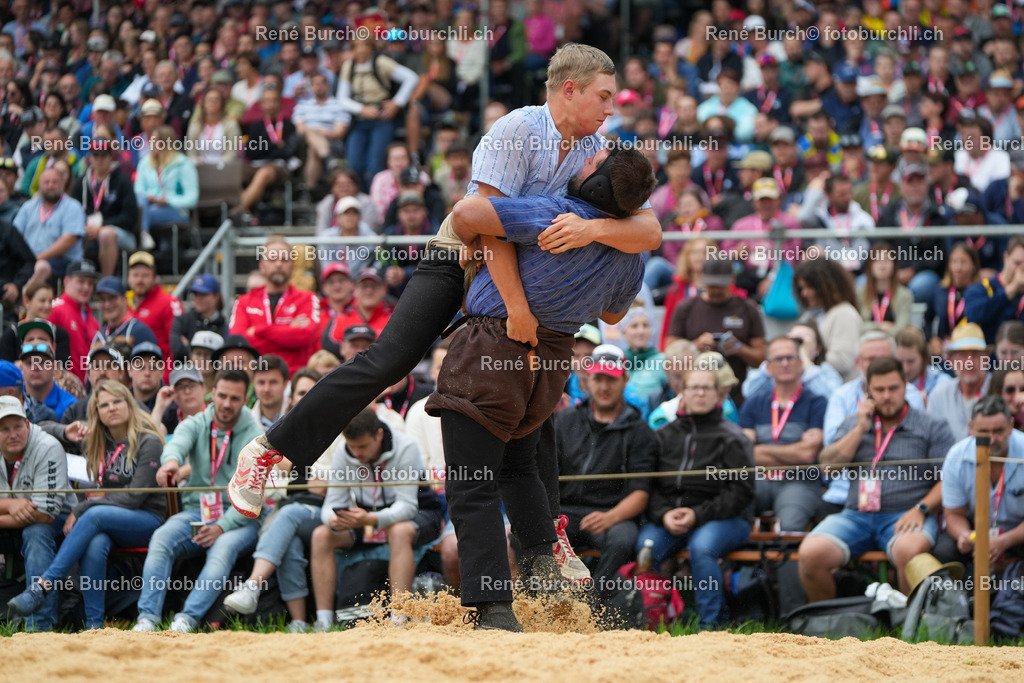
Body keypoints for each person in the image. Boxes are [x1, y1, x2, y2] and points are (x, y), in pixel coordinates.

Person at [227, 44, 661, 584]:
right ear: (567, 89)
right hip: (460, 259)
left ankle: (548, 538)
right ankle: (271, 450)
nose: (610, 108)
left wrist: (593, 228)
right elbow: (479, 224)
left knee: (535, 405)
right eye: (603, 96)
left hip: (511, 284)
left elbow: (651, 230)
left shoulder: (596, 146)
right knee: (391, 359)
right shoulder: (518, 130)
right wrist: (519, 310)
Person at [423, 146, 655, 630]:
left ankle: (495, 611)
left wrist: (486, 238)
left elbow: (467, 212)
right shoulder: (630, 251)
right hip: (550, 363)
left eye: (592, 163)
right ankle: (549, 582)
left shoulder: (558, 211)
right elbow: (613, 315)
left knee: (470, 484)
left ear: (596, 186)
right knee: (519, 466)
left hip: (495, 347)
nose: (583, 160)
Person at [6, 381, 165, 629]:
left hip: (146, 519)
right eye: (104, 404)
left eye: (117, 401)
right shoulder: (98, 440)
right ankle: (94, 625)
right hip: (109, 520)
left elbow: (134, 497)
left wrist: (81, 509)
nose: (111, 408)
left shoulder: (148, 441)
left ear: (129, 404)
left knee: (93, 516)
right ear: (97, 412)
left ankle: (43, 586)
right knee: (95, 542)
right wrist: (65, 431)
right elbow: (40, 428)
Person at [800, 357, 955, 600]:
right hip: (855, 515)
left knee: (909, 551)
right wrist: (860, 429)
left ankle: (910, 630)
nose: (886, 396)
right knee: (810, 553)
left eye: (893, 388)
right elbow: (828, 467)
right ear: (867, 391)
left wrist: (921, 508)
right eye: (879, 390)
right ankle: (827, 627)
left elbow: (949, 479)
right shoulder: (854, 424)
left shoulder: (931, 426)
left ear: (905, 386)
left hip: (906, 514)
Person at [131, 369, 263, 633]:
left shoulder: (255, 434)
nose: (226, 404)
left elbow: (250, 498)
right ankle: (147, 618)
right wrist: (170, 463)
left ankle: (186, 619)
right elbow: (177, 443)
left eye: (234, 399)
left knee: (222, 548)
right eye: (222, 396)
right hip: (197, 512)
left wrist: (220, 527)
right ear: (212, 393)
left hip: (240, 519)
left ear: (245, 399)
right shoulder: (197, 422)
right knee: (162, 537)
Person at [639, 367, 755, 628]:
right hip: (671, 516)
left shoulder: (733, 437)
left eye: (707, 387)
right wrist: (664, 513)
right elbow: (650, 484)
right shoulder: (664, 435)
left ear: (718, 395)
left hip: (727, 518)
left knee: (702, 548)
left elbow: (743, 492)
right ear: (683, 393)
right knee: (645, 548)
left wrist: (697, 514)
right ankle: (653, 620)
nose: (700, 393)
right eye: (694, 387)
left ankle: (711, 626)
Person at [309, 407, 443, 631]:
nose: (357, 453)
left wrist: (371, 519)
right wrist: (333, 520)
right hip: (367, 518)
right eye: (352, 446)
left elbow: (408, 506)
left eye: (362, 446)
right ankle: (323, 620)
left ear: (379, 435)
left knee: (398, 531)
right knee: (321, 535)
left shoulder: (406, 447)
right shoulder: (345, 451)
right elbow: (331, 504)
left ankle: (398, 618)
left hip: (420, 513)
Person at [554, 346, 658, 590]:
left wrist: (610, 517)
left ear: (624, 380)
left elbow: (641, 493)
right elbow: (544, 473)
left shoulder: (640, 431)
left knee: (623, 539)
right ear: (587, 380)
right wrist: (549, 515)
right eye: (598, 378)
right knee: (524, 533)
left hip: (612, 513)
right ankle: (544, 603)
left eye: (611, 379)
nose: (603, 387)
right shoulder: (565, 420)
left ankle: (594, 607)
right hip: (565, 512)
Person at [740, 336, 828, 531]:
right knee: (735, 511)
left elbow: (807, 455)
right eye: (778, 359)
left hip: (800, 481)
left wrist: (761, 449)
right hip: (758, 480)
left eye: (790, 357)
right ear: (768, 367)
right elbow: (744, 453)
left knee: (790, 526)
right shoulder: (754, 403)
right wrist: (793, 451)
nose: (785, 363)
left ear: (801, 363)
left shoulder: (817, 403)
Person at [0, 396, 73, 631]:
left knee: (36, 532)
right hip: (10, 519)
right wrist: (10, 505)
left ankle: (40, 626)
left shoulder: (48, 446)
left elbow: (45, 514)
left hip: (58, 520)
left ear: (28, 425)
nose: (13, 434)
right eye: (4, 429)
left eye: (18, 426)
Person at [665, 256, 766, 403]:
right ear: (702, 279)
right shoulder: (686, 308)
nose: (716, 290)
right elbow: (670, 352)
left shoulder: (748, 308)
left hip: (735, 395)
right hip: (694, 396)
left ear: (732, 279)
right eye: (712, 285)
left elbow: (762, 359)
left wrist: (740, 348)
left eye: (721, 285)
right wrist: (695, 346)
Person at [937, 396, 1024, 568]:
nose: (991, 439)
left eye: (998, 431)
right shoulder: (956, 456)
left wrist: (1004, 541)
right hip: (976, 532)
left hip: (1018, 534)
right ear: (971, 428)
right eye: (983, 432)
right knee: (944, 551)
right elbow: (954, 514)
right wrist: (964, 535)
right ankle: (959, 595)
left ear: (1011, 425)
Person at [228, 237, 320, 375]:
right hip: (254, 379)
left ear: (292, 266)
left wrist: (259, 330)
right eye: (272, 259)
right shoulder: (243, 301)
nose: (278, 264)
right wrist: (287, 331)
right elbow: (238, 342)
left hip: (293, 381)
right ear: (262, 266)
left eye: (284, 260)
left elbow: (304, 336)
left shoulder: (307, 298)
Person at [71, 138, 138, 278]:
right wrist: (84, 228)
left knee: (106, 234)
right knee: (72, 235)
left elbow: (130, 217)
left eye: (104, 155)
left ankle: (106, 283)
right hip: (88, 231)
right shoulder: (81, 183)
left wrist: (102, 226)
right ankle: (76, 281)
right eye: (96, 155)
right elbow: (73, 212)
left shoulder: (122, 182)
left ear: (110, 157)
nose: (100, 159)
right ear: (90, 158)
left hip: (121, 233)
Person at [13, 167, 86, 293]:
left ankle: (24, 302)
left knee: (40, 267)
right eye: (46, 182)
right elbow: (14, 234)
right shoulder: (28, 206)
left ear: (62, 184)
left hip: (63, 261)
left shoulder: (73, 207)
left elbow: (68, 240)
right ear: (39, 185)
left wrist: (37, 257)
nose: (50, 185)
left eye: (54, 182)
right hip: (30, 258)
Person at [793, 257, 863, 382]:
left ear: (827, 286)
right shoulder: (809, 315)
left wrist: (807, 355)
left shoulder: (844, 314)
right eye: (801, 288)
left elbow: (843, 362)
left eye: (809, 287)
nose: (804, 293)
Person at [133, 125, 199, 251]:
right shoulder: (144, 163)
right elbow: (139, 190)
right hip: (149, 206)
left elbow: (192, 198)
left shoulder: (183, 164)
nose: (151, 144)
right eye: (151, 141)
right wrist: (152, 197)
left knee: (138, 216)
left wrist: (167, 200)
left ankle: (143, 235)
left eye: (156, 141)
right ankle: (144, 235)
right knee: (140, 202)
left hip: (176, 210)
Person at [927, 323, 992, 443]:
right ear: (951, 361)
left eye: (976, 355)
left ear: (987, 359)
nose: (969, 363)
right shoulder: (939, 395)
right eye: (962, 356)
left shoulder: (1000, 388)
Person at [964, 235, 1024, 345]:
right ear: (1006, 258)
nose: (1021, 270)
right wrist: (1011, 289)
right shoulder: (982, 288)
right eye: (1017, 263)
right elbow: (973, 315)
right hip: (988, 358)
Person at [127, 250, 183, 367]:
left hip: (160, 376)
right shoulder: (123, 303)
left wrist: (166, 378)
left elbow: (178, 348)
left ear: (154, 278)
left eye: (145, 275)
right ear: (128, 278)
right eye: (135, 275)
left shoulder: (168, 303)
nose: (140, 280)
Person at [924, 241, 980, 357]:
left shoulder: (980, 291)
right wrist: (932, 339)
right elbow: (927, 320)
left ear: (973, 265)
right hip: (944, 350)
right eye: (954, 262)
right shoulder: (940, 290)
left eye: (963, 262)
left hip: (971, 349)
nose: (958, 268)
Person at [169, 274, 227, 364]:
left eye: (203, 294)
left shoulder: (224, 325)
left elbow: (223, 358)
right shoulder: (182, 321)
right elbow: (178, 353)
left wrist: (190, 348)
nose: (198, 298)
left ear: (216, 296)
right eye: (195, 294)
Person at [857, 242, 914, 335]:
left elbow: (902, 329)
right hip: (865, 343)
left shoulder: (905, 295)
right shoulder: (859, 293)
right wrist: (879, 326)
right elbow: (857, 326)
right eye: (877, 260)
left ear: (894, 265)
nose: (882, 265)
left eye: (887, 260)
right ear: (870, 265)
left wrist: (870, 327)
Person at [21, 339, 76, 422]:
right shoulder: (12, 400)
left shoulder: (70, 406)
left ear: (54, 367)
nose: (35, 367)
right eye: (30, 363)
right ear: (21, 368)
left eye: (42, 362)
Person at [95, 277, 157, 349]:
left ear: (124, 299)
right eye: (102, 299)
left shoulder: (140, 332)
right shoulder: (99, 337)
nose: (107, 304)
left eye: (112, 298)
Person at [895, 327, 953, 402]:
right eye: (900, 362)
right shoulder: (887, 383)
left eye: (911, 361)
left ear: (923, 357)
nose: (906, 369)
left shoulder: (942, 383)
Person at [250, 353, 288, 430]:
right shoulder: (246, 423)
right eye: (261, 382)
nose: (266, 389)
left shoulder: (298, 418)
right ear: (253, 384)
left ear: (285, 384)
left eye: (273, 382)